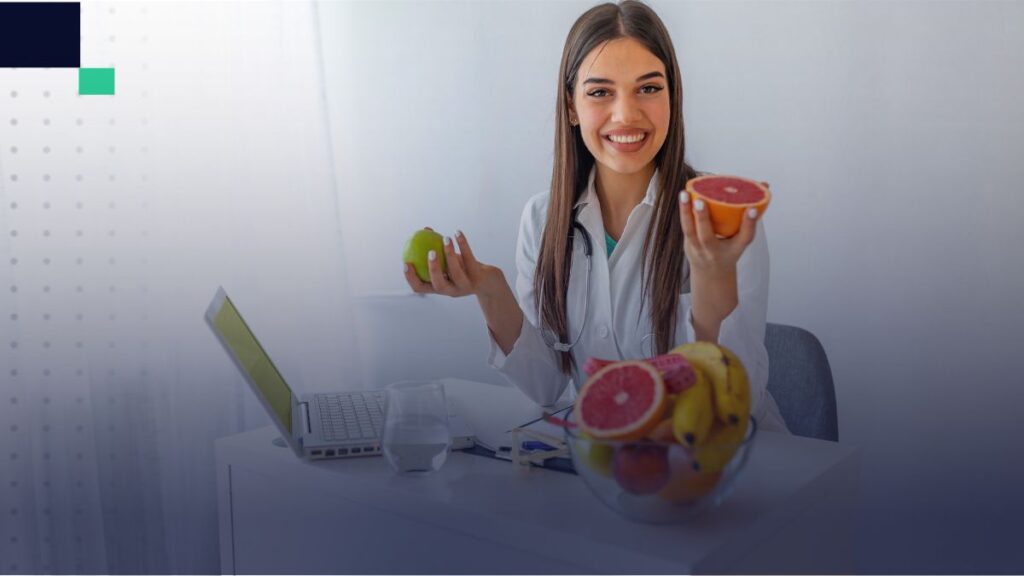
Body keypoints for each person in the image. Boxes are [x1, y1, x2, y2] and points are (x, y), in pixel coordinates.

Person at [403, 0, 789, 432]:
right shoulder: (542, 218)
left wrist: (712, 276)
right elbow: (548, 387)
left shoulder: (721, 222)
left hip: (728, 465)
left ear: (672, 97)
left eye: (648, 88)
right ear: (571, 107)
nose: (626, 114)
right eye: (600, 92)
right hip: (610, 465)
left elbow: (736, 403)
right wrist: (490, 290)